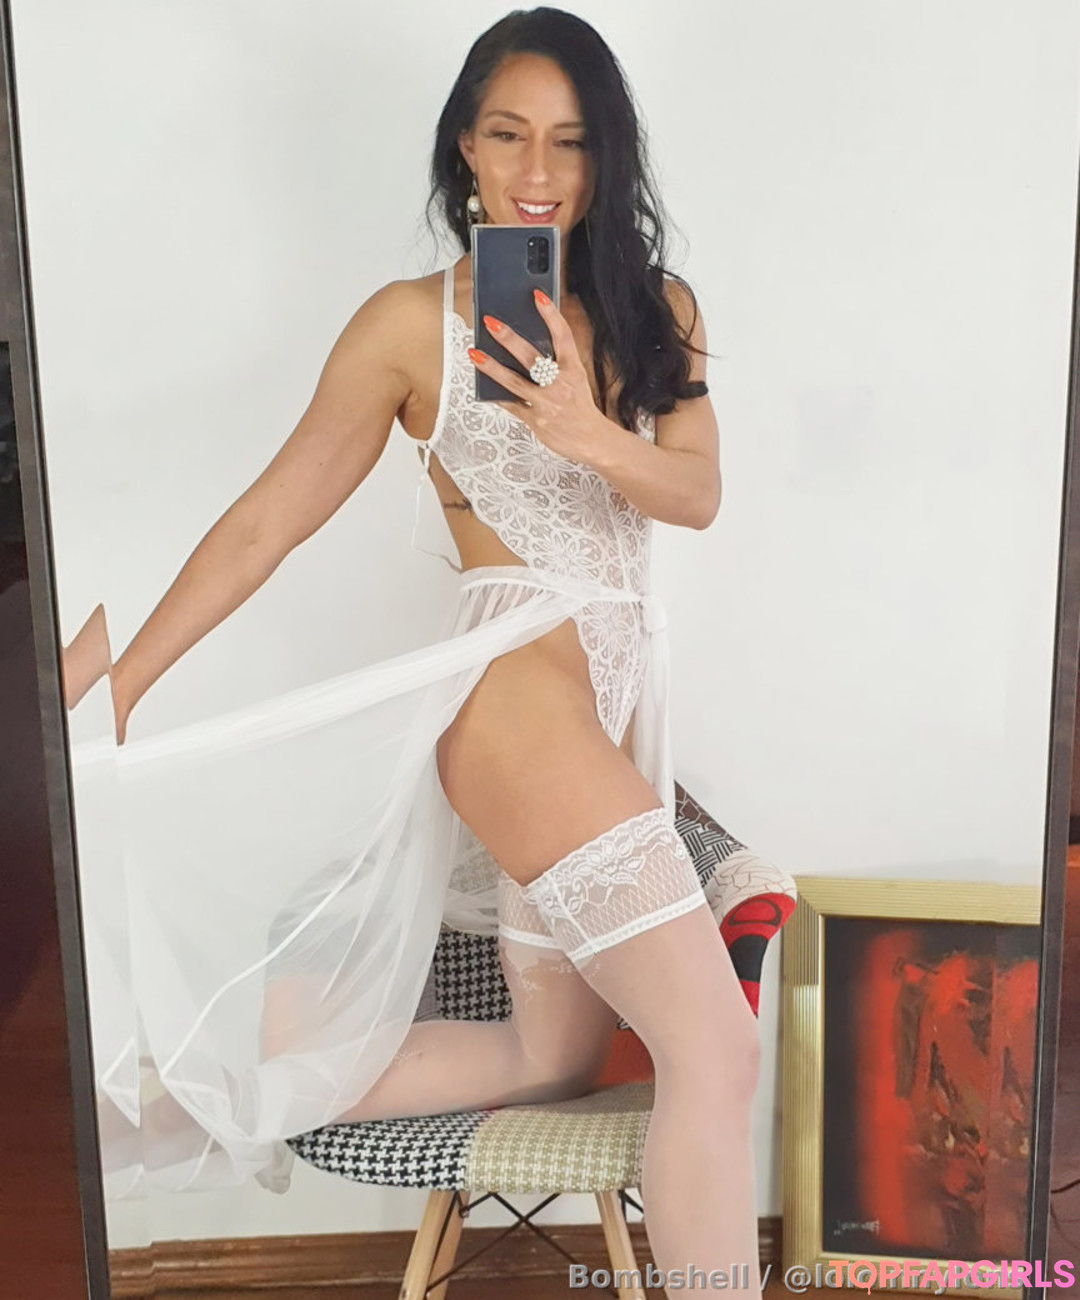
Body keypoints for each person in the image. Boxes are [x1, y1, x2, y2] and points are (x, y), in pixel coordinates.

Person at [63, 8, 795, 1290]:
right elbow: (268, 521)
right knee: (717, 1049)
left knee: (551, 1056)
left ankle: (222, 1082)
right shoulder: (409, 325)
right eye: (507, 134)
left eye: (569, 141)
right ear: (464, 145)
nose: (536, 171)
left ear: (605, 156)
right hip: (517, 703)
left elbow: (697, 494)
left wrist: (582, 426)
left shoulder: (653, 307)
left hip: (612, 709)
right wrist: (120, 684)